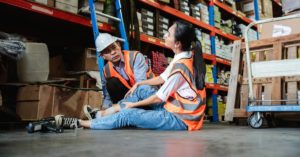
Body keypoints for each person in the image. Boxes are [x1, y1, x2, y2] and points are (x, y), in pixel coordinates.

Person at [56, 20, 206, 131]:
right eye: (107, 51)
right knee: (139, 90)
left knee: (129, 114)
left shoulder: (178, 66)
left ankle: (80, 123)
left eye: (168, 34)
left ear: (177, 43)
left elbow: (158, 97)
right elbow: (161, 78)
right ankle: (103, 114)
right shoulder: (183, 57)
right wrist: (138, 85)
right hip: (174, 106)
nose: (165, 35)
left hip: (182, 118)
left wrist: (132, 105)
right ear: (103, 56)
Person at [94, 33, 154, 110]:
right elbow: (107, 98)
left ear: (119, 45)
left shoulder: (135, 57)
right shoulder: (106, 71)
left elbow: (141, 88)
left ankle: (124, 112)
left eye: (114, 47)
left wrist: (118, 107)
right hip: (130, 97)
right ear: (103, 56)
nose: (113, 52)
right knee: (111, 83)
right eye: (107, 51)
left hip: (149, 96)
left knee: (142, 90)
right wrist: (104, 111)